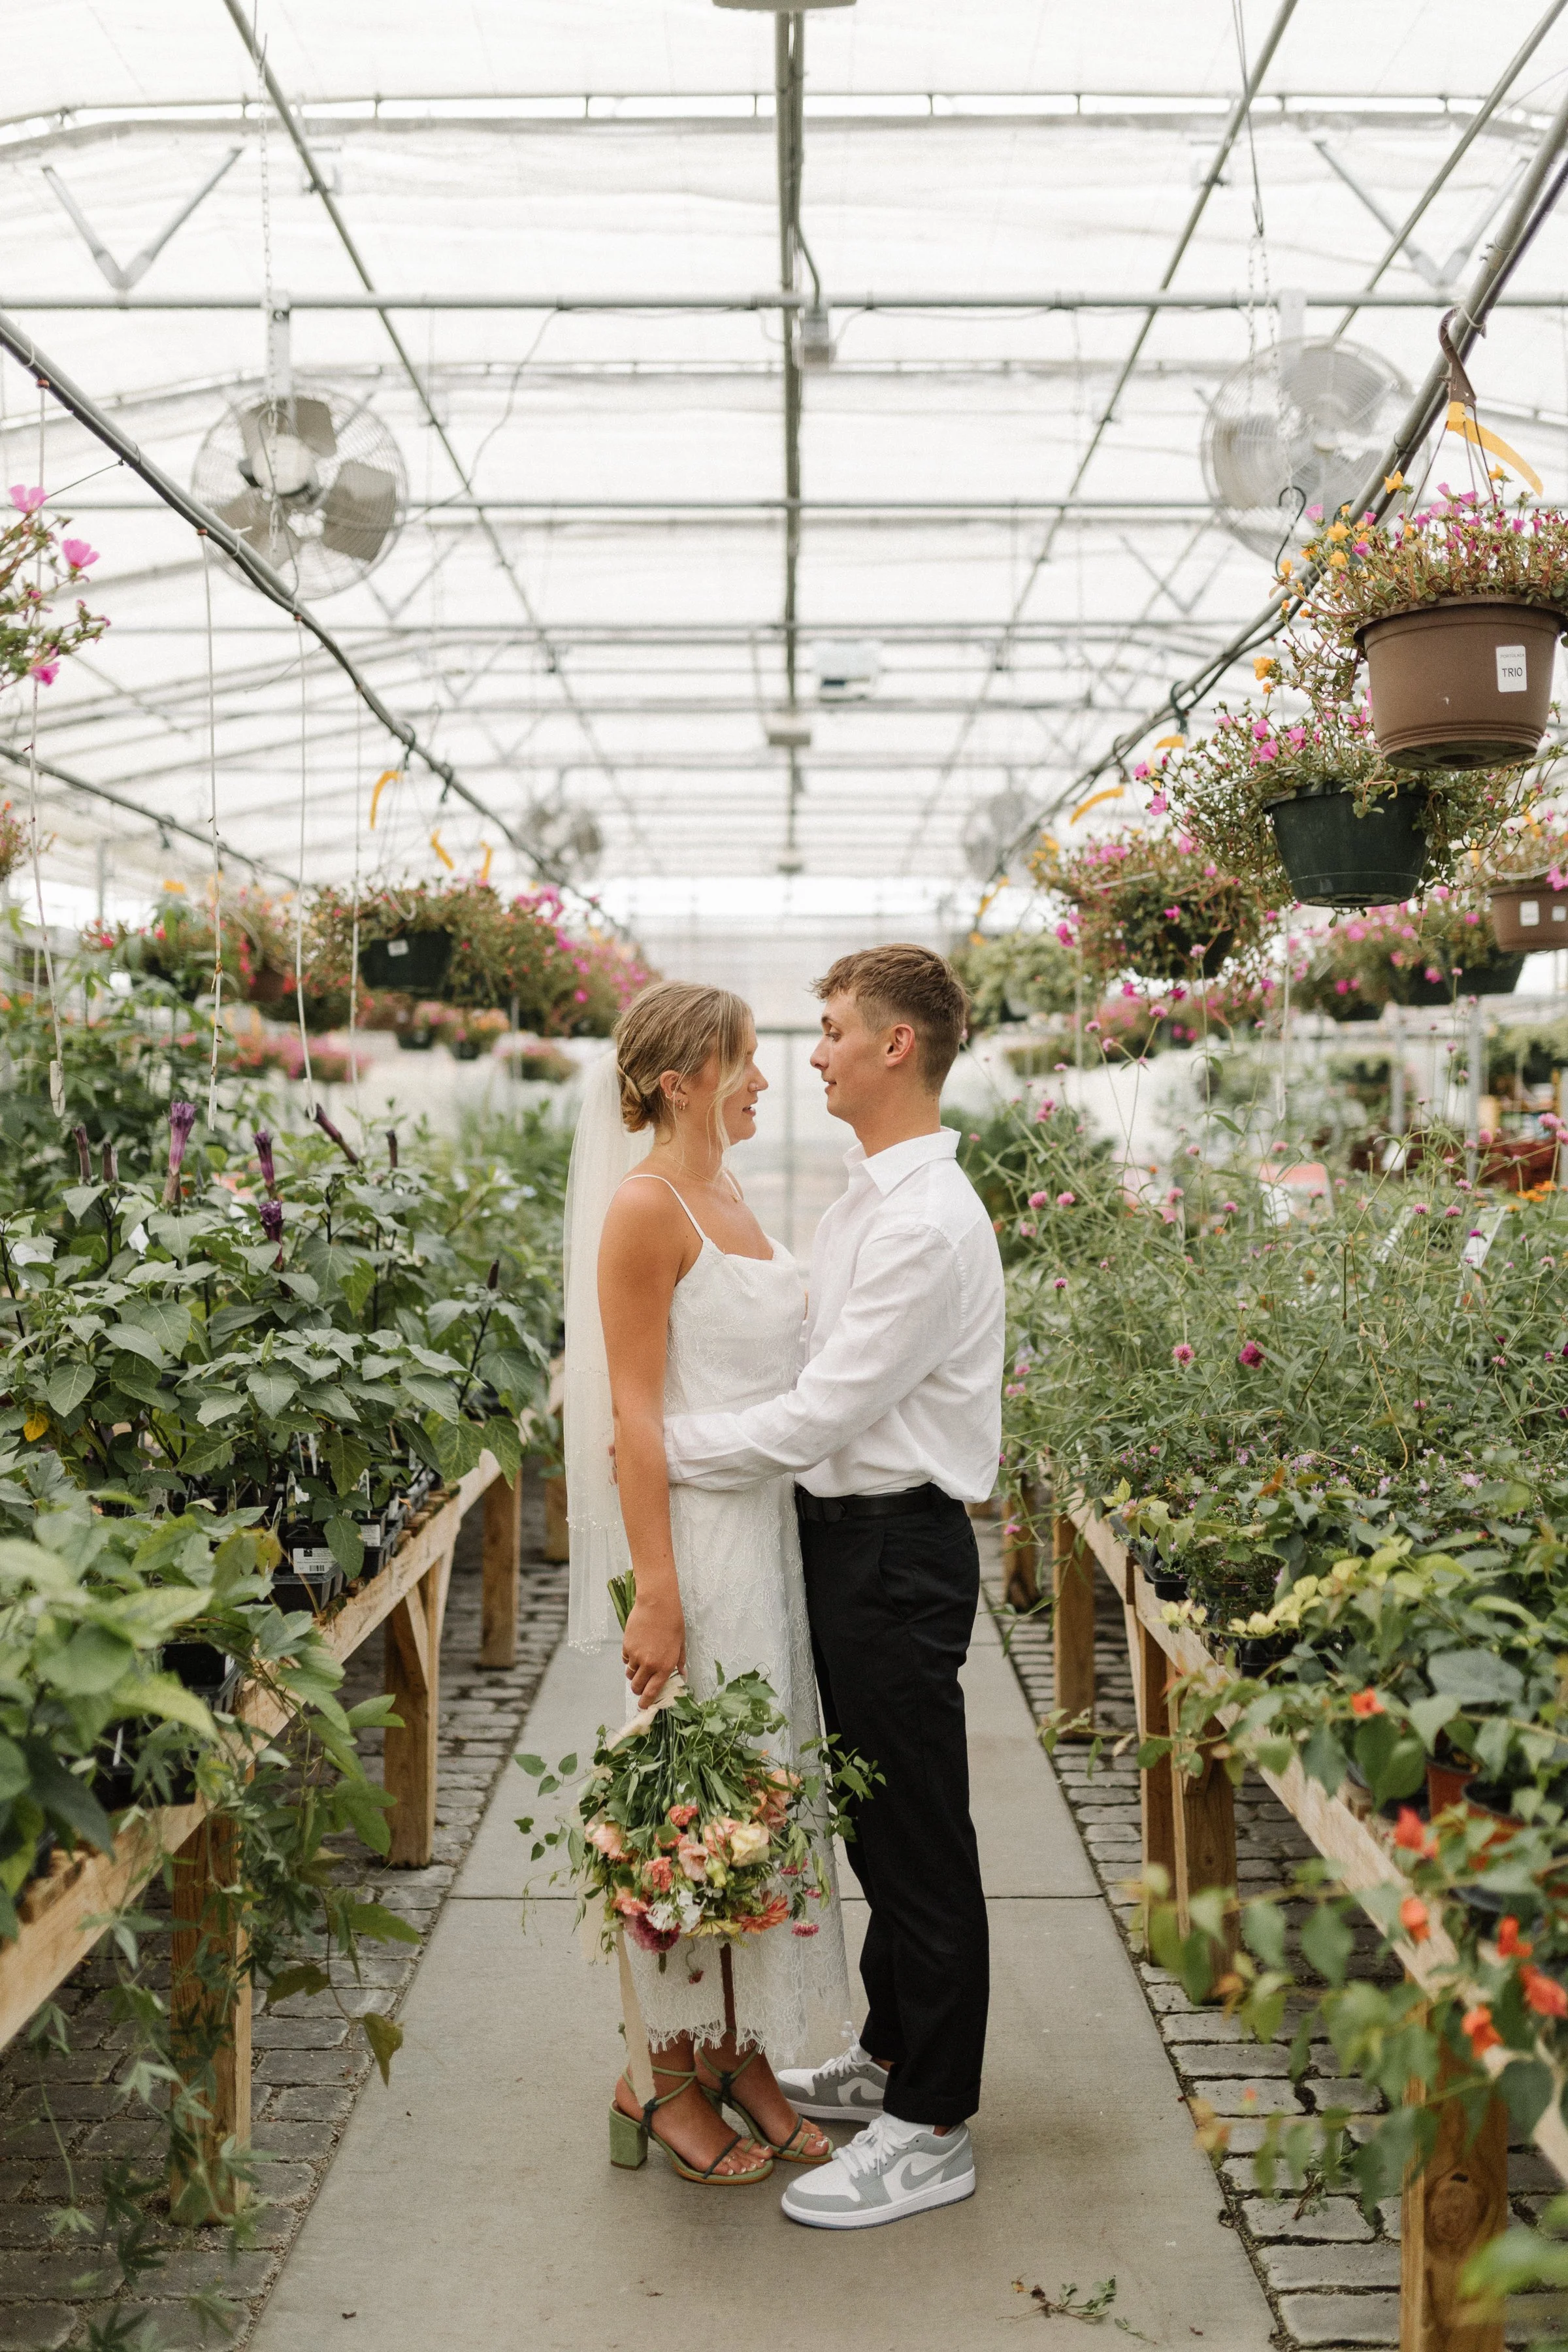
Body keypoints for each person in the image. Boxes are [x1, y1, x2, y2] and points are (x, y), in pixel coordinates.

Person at [661, 945, 1005, 2231]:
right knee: (876, 1820)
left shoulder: (922, 1220)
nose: (812, 1053)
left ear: (896, 1047)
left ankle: (935, 2125)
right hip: (850, 1543)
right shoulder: (874, 1196)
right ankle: (893, 2052)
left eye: (832, 1030)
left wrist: (668, 1450)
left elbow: (825, 1407)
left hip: (896, 1548)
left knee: (919, 1839)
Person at [561, 981, 852, 2189]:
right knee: (688, 1806)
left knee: (759, 1799)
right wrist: (657, 1593)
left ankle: (742, 2060)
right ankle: (663, 2073)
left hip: (764, 1538)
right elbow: (632, 1416)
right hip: (692, 1544)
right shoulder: (644, 1208)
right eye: (745, 1063)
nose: (768, 1083)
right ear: (681, 1079)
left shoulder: (730, 1192)